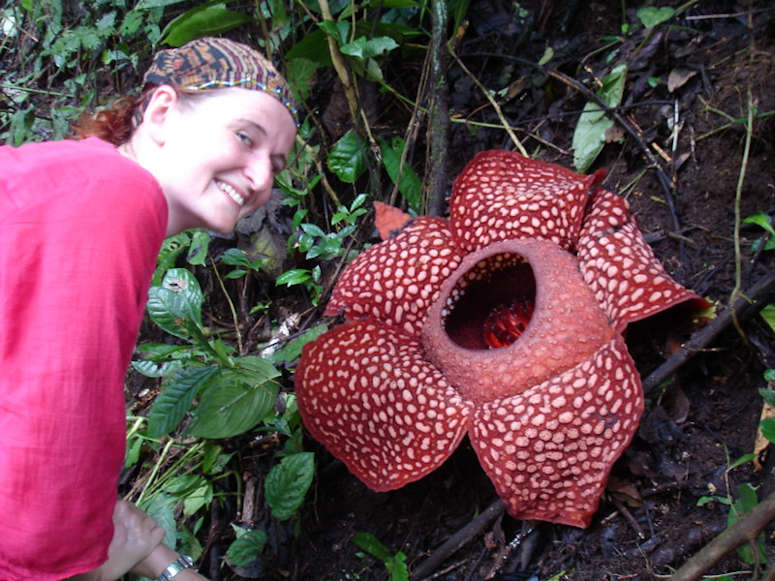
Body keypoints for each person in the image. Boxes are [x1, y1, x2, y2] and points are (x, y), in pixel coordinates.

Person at [0, 36, 299, 580]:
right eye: (244, 138)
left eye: (275, 163)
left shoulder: (77, 181)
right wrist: (90, 553)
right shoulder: (116, 195)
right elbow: (44, 467)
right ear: (162, 111)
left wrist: (132, 546)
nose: (260, 179)